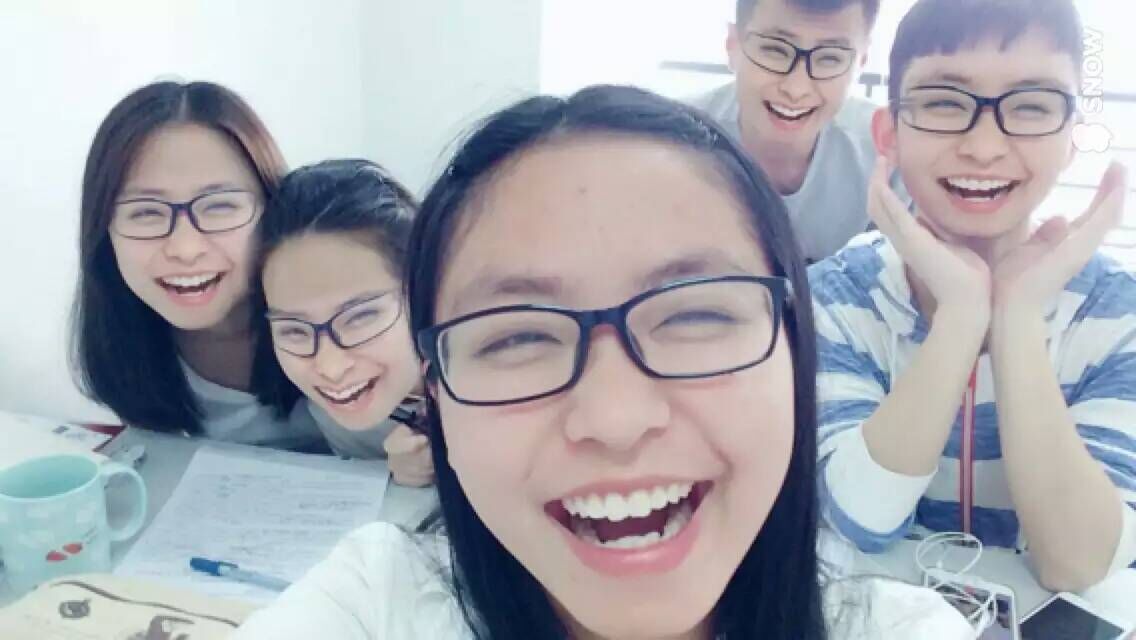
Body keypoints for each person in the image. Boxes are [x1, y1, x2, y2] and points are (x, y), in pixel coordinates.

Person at [234, 86, 970, 639]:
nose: (616, 419)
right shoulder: (377, 601)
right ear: (436, 396)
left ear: (794, 347)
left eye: (694, 315)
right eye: (515, 338)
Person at [813, 0, 1136, 592]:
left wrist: (1017, 320)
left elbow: (1079, 562)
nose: (984, 147)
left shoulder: (1118, 314)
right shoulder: (834, 299)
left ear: (1072, 136)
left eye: (1032, 106)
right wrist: (960, 318)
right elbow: (862, 522)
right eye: (943, 102)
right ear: (888, 134)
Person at [73, 81, 324, 450]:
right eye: (146, 213)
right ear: (103, 230)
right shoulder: (126, 338)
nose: (185, 249)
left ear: (273, 206)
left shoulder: (339, 312)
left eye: (219, 206)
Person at [254, 159, 433, 484]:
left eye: (360, 318)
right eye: (293, 330)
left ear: (422, 291)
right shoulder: (331, 406)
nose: (331, 369)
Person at [690, 0, 901, 262]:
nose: (796, 89)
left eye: (830, 58)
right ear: (733, 45)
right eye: (774, 50)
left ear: (862, 62)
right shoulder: (671, 142)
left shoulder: (890, 155)